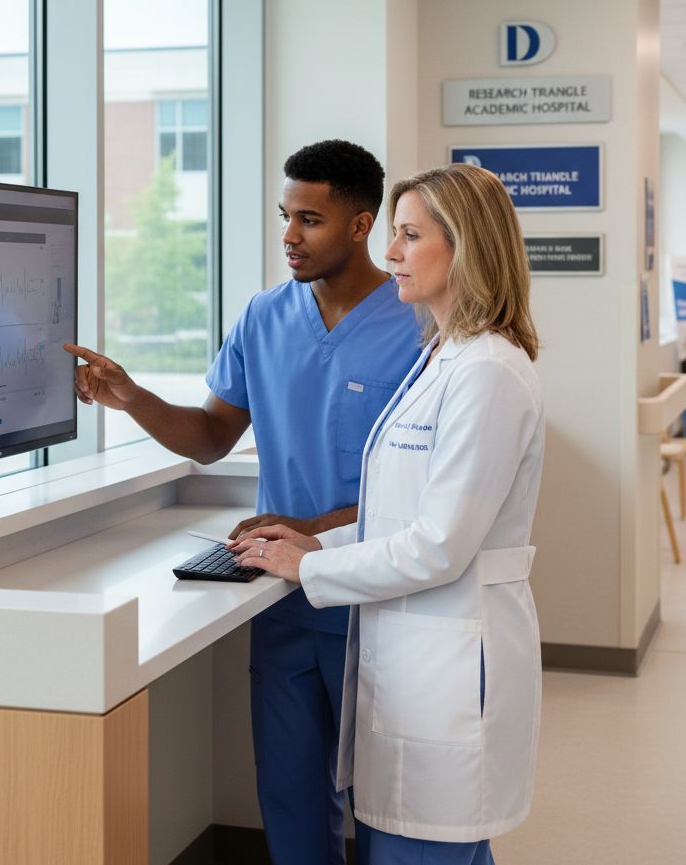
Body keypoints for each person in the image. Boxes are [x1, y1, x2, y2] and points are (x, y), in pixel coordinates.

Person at [65, 139, 421, 865]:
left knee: (390, 804)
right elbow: (209, 439)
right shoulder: (264, 317)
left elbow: (423, 489)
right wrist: (131, 397)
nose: (289, 236)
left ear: (361, 225)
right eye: (285, 217)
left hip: (381, 594)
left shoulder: (418, 325)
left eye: (310, 220)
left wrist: (310, 528)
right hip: (283, 600)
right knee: (290, 792)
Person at [232, 163, 545, 865]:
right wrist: (310, 536)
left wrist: (310, 562)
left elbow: (438, 546)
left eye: (409, 235)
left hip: (449, 667)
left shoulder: (487, 372)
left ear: (463, 248)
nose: (393, 252)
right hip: (414, 659)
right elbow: (398, 514)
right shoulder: (441, 356)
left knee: (423, 847)